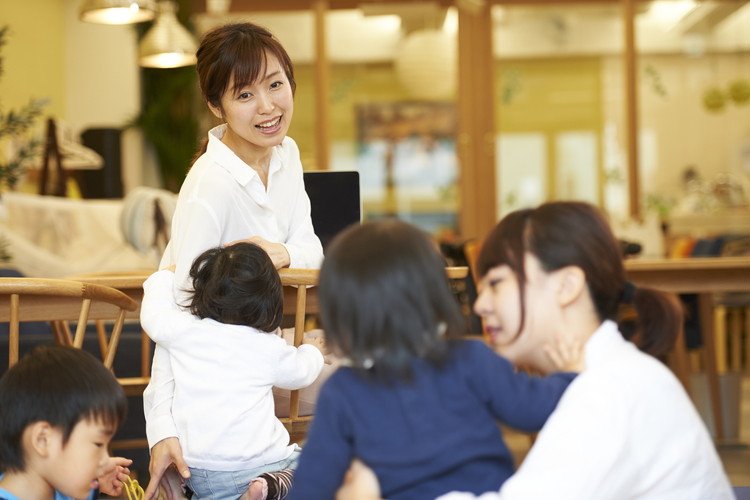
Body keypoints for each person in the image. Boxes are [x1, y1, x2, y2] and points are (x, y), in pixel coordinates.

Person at [337, 201, 735, 500]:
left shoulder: (607, 392)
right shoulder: (613, 375)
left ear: (566, 286)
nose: (480, 305)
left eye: (496, 283)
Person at [144, 21, 324, 499]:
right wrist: (162, 428)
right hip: (220, 383)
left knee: (383, 366)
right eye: (244, 95)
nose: (268, 107)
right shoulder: (208, 187)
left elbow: (313, 250)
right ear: (215, 106)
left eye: (275, 84)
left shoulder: (286, 154)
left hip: (267, 356)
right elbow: (177, 322)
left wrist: (278, 252)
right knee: (367, 392)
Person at [287, 219, 576, 500]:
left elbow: (312, 486)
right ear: (437, 297)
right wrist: (570, 372)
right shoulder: (473, 359)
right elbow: (535, 408)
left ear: (341, 315)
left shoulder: (343, 391)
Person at [141, 243, 325, 500]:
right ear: (269, 302)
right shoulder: (265, 345)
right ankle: (268, 488)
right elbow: (301, 372)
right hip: (258, 464)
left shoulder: (186, 331)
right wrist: (312, 350)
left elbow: (154, 315)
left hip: (197, 471)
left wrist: (163, 278)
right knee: (318, 468)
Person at [0, 345, 134, 500]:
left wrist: (94, 481)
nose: (104, 460)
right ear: (42, 440)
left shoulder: (62, 488)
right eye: (98, 444)